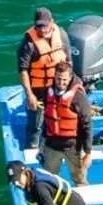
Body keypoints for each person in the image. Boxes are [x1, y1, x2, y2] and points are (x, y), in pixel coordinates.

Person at [16, 8, 71, 152]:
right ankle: (32, 150)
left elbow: (68, 62)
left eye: (45, 25)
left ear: (52, 22)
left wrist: (72, 87)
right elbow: (23, 70)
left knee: (58, 121)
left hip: (58, 88)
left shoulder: (62, 35)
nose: (42, 29)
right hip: (38, 93)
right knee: (35, 126)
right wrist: (30, 95)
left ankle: (54, 148)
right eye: (38, 26)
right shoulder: (28, 44)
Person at [40, 61, 93, 185]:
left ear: (70, 77)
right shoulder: (48, 93)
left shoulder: (78, 96)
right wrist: (42, 145)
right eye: (58, 79)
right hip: (51, 146)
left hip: (73, 148)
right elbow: (47, 119)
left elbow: (87, 125)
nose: (61, 83)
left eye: (64, 80)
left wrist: (88, 152)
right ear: (54, 76)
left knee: (80, 181)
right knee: (49, 180)